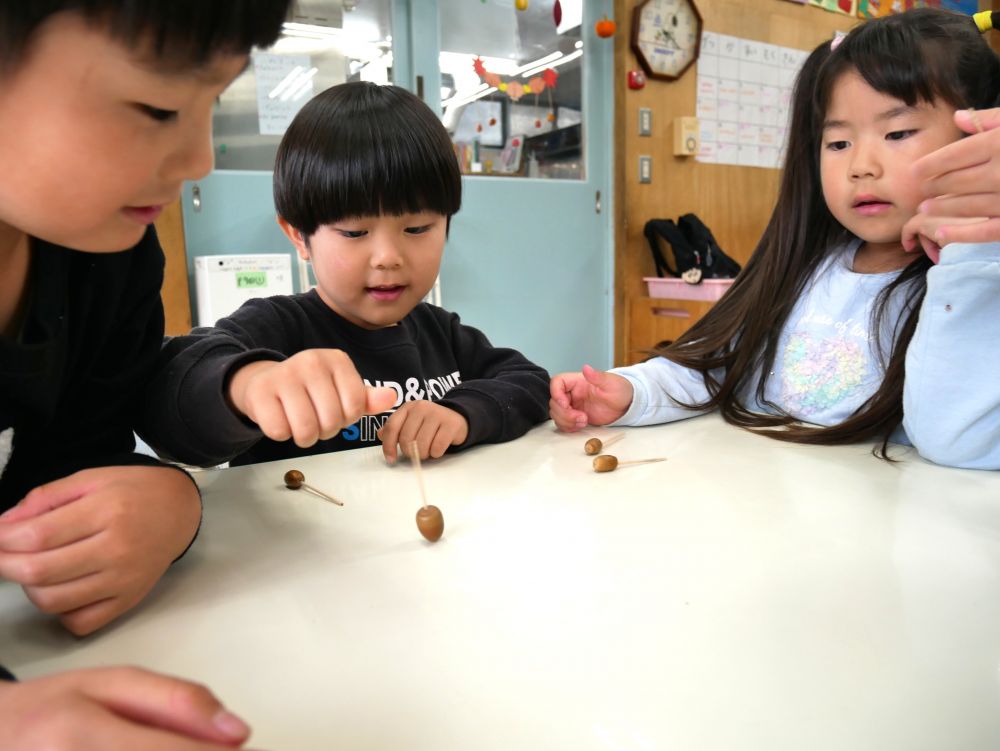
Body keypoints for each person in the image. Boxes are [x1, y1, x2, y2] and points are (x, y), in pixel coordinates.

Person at [0, 1, 292, 748]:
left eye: (214, 103)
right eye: (159, 106)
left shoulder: (107, 258)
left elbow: (84, 458)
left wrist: (171, 502)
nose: (201, 159)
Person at [551, 8, 1000, 470]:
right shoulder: (805, 269)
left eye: (898, 132)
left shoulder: (977, 283)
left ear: (982, 138)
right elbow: (714, 366)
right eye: (838, 143)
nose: (861, 165)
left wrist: (972, 251)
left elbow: (960, 443)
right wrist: (630, 392)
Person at [140, 82, 550, 468]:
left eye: (417, 229)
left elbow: (529, 382)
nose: (388, 257)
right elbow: (171, 392)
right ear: (299, 236)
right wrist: (247, 386)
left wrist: (462, 413)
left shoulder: (443, 333)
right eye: (355, 232)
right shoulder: (278, 327)